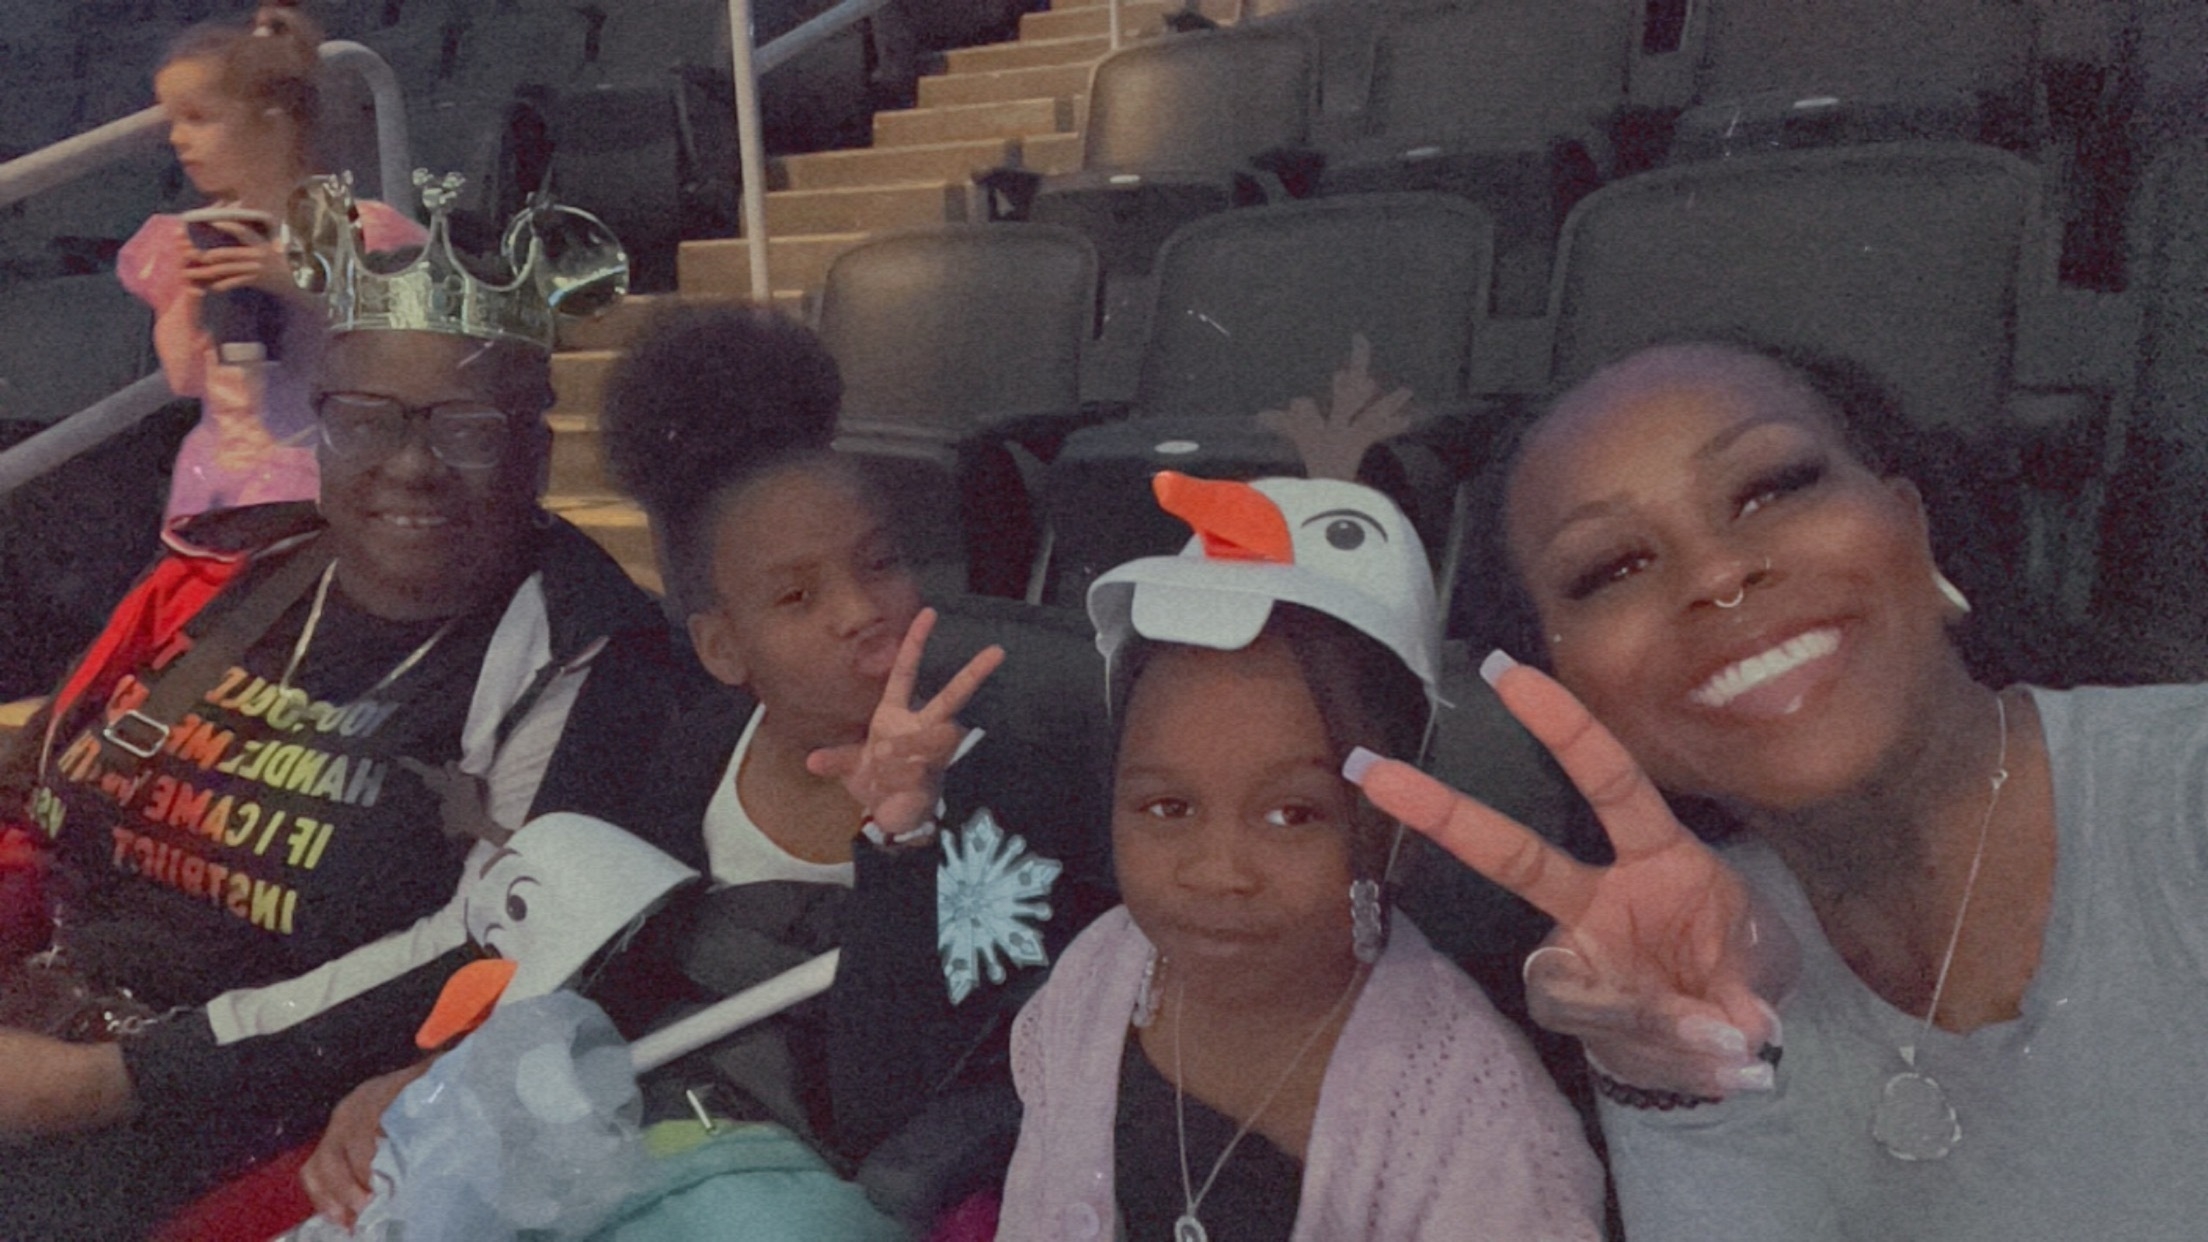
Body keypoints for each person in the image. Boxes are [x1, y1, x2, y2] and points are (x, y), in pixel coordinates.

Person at [1348, 338, 2208, 1239]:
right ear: (1564, 691)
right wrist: (1674, 1080)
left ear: (1912, 524)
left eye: (1773, 488)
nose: (1718, 575)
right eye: (1612, 569)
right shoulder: (1682, 956)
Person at [298, 303, 1117, 1236]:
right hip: (629, 1133)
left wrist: (904, 837)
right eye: (798, 596)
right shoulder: (692, 747)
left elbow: (885, 1110)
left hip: (793, 1183)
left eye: (881, 564)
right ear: (724, 647)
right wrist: (436, 1075)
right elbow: (597, 969)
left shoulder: (1009, 793)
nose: (860, 612)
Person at [0, 181, 678, 1240]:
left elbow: (494, 941)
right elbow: (34, 789)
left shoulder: (588, 651)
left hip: (266, 1114)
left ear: (538, 455)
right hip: (47, 1017)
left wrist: (108, 1082)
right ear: (320, 432)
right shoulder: (229, 577)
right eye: (366, 420)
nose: (411, 466)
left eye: (467, 429)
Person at [999, 471, 1607, 1240]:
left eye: (1293, 814)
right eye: (1167, 808)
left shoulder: (1481, 1128)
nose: (1218, 872)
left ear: (1400, 822)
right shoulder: (1098, 973)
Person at [123, 0, 425, 520]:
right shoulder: (183, 238)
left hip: (331, 469)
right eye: (174, 121)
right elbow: (185, 378)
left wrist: (297, 283)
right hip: (221, 476)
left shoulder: (358, 228)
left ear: (274, 122)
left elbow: (412, 347)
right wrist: (192, 298)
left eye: (199, 119)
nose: (177, 138)